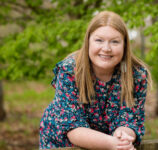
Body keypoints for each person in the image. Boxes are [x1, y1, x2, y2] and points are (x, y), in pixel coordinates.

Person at [39, 11, 151, 150]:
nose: (106, 48)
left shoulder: (136, 75)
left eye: (115, 42)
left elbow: (129, 119)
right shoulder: (70, 70)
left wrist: (122, 137)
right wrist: (113, 144)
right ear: (88, 42)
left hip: (110, 144)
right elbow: (73, 128)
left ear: (125, 45)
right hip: (62, 144)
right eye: (99, 40)